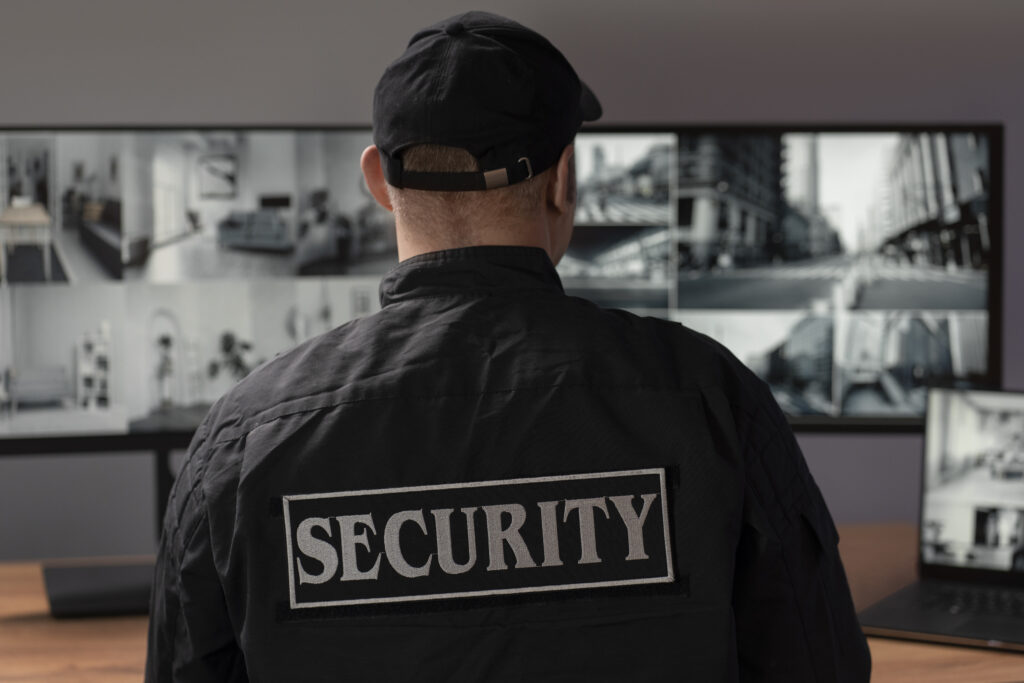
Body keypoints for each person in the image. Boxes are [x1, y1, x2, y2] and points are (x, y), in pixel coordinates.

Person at [146, 11, 871, 682]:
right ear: (562, 181)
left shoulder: (241, 442)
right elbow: (821, 664)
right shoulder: (714, 399)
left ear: (379, 182)